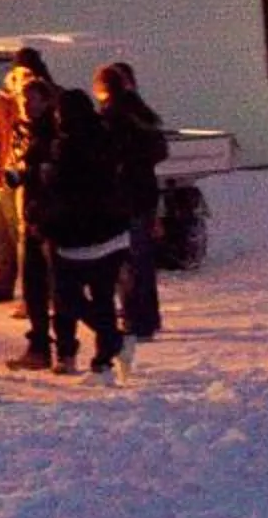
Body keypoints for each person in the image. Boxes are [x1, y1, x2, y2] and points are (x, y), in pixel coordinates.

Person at [33, 86, 130, 379]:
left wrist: (43, 219)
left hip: (76, 236)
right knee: (102, 295)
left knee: (66, 297)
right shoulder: (107, 138)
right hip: (111, 233)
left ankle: (108, 338)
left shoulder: (66, 146)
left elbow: (61, 192)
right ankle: (103, 358)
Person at [94, 61, 170, 339]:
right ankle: (149, 317)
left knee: (127, 260)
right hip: (145, 192)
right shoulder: (141, 111)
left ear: (104, 88)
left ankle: (135, 320)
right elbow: (159, 151)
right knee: (143, 259)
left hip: (124, 196)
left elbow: (108, 155)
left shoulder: (112, 116)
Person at [0, 48, 50, 306]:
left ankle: (35, 293)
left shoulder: (42, 97)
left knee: (28, 236)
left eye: (27, 72)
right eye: (19, 72)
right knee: (6, 235)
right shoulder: (4, 100)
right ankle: (5, 284)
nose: (22, 77)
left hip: (30, 178)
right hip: (9, 174)